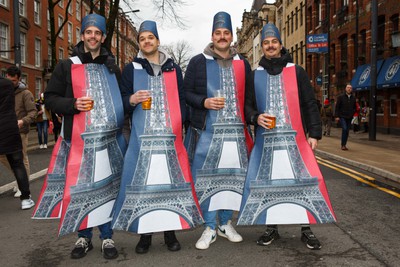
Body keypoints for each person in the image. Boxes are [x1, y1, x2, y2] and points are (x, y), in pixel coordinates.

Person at [240, 23, 335, 250]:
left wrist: (315, 133)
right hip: (267, 140)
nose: (270, 46)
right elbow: (248, 107)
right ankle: (272, 227)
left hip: (295, 139)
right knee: (269, 182)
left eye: (274, 42)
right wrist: (255, 117)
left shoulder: (297, 71)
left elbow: (309, 103)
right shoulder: (255, 75)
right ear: (262, 47)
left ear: (280, 44)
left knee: (301, 182)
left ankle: (306, 229)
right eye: (266, 43)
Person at [112, 20, 202, 254]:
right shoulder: (132, 69)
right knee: (144, 186)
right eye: (142, 39)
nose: (147, 41)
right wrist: (131, 100)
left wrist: (179, 119)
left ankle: (170, 233)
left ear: (158, 41)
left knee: (169, 186)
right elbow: (121, 100)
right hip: (143, 139)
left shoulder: (174, 68)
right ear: (139, 44)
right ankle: (145, 236)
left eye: (150, 37)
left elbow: (182, 98)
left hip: (169, 137)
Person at [39, 14, 124, 260]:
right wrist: (74, 103)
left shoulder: (112, 67)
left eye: (97, 33)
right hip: (78, 140)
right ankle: (84, 237)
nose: (93, 37)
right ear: (83, 35)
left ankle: (107, 235)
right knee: (81, 189)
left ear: (103, 37)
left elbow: (121, 100)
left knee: (107, 188)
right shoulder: (67, 65)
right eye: (89, 32)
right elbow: (51, 97)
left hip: (107, 139)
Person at [184, 11, 253, 250]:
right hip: (207, 131)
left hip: (235, 132)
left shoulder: (242, 63)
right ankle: (209, 226)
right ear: (212, 36)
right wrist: (204, 102)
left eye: (226, 33)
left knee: (232, 178)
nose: (222, 37)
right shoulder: (197, 61)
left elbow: (250, 99)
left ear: (231, 36)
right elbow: (186, 94)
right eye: (218, 33)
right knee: (207, 179)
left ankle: (225, 223)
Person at [0, 66, 37, 198]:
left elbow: (33, 112)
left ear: (19, 79)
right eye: (9, 80)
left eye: (14, 81)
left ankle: (24, 187)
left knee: (21, 159)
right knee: (4, 157)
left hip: (20, 130)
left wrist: (22, 121)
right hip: (5, 131)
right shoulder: (4, 90)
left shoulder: (25, 93)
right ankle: (21, 180)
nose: (11, 84)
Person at [335, 83, 356, 150]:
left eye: (350, 88)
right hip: (342, 116)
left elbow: (354, 107)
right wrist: (337, 116)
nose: (349, 89)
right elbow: (337, 107)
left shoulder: (353, 98)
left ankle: (344, 144)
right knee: (344, 129)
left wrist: (352, 113)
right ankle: (342, 145)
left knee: (347, 131)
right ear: (345, 89)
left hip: (349, 117)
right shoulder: (341, 97)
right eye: (348, 87)